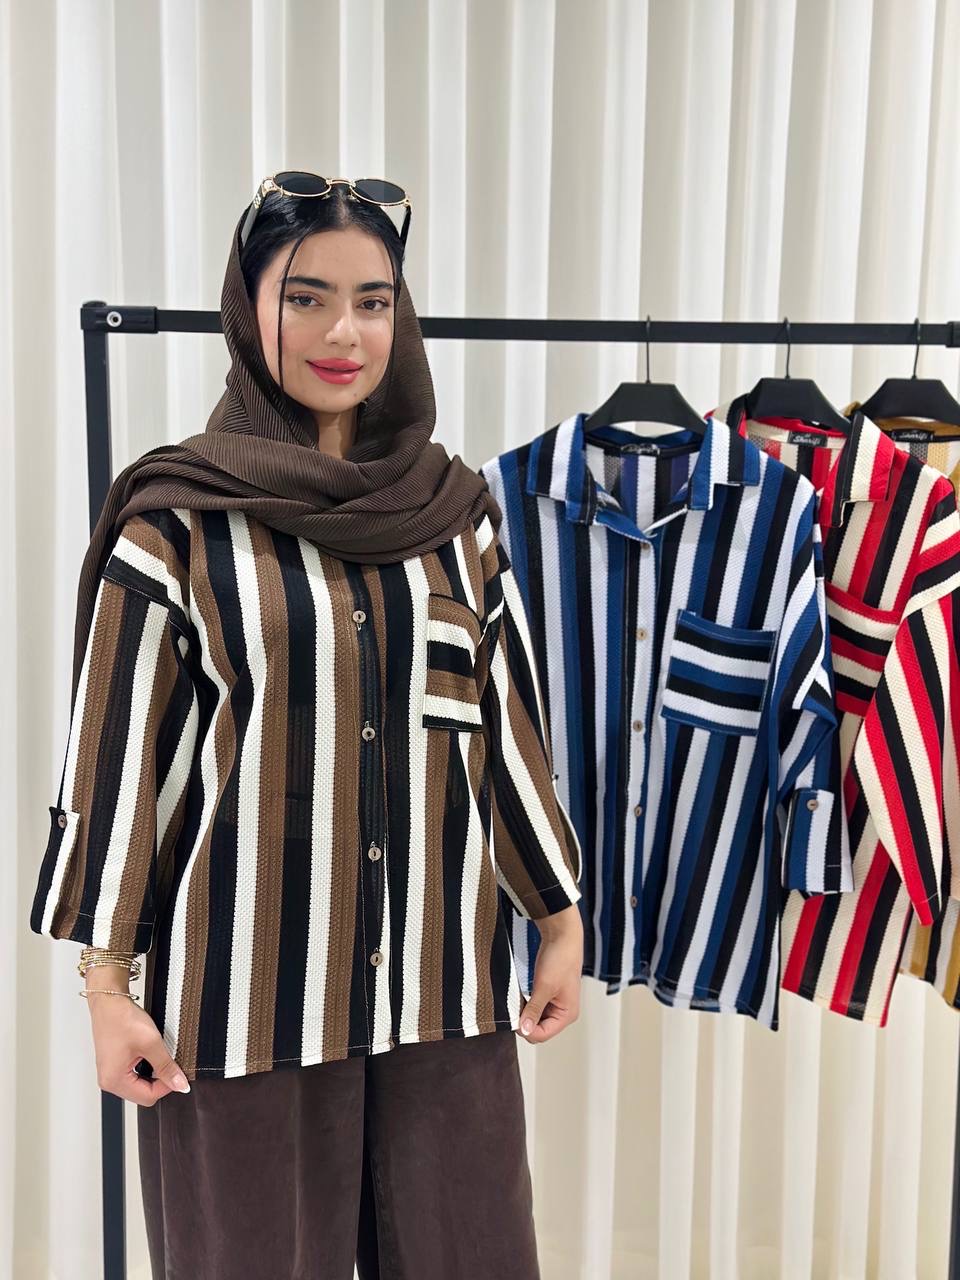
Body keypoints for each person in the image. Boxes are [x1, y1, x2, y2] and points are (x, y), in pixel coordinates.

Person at [29, 173, 584, 1279]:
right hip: (244, 1014)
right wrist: (107, 990)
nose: (345, 333)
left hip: (440, 999)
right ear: (250, 308)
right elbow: (118, 765)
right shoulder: (176, 524)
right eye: (307, 297)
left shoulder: (456, 519)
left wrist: (557, 917)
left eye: (373, 301)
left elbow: (502, 730)